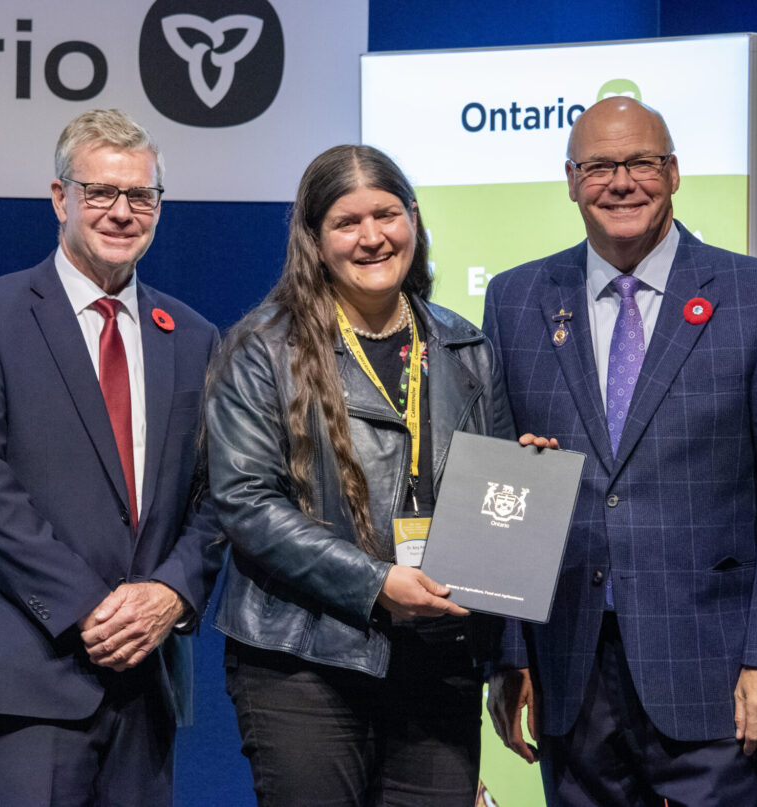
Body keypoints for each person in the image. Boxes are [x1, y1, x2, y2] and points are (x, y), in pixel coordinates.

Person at [483, 97, 757, 806]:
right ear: (571, 179)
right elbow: (507, 487)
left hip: (718, 672)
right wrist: (509, 654)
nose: (621, 182)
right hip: (570, 669)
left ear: (673, 172)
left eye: (641, 162)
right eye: (599, 166)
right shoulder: (517, 298)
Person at [204, 144, 517, 806]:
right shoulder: (263, 349)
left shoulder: (465, 347)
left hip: (439, 660)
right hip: (303, 659)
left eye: (387, 214)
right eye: (347, 222)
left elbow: (491, 501)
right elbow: (246, 503)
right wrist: (375, 583)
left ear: (414, 219)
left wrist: (523, 477)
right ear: (315, 239)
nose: (372, 237)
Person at [0, 108, 223, 805]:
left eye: (141, 196)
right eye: (99, 192)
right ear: (60, 198)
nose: (122, 212)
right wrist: (90, 609)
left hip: (147, 678)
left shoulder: (194, 335)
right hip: (26, 673)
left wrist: (172, 592)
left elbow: (220, 493)